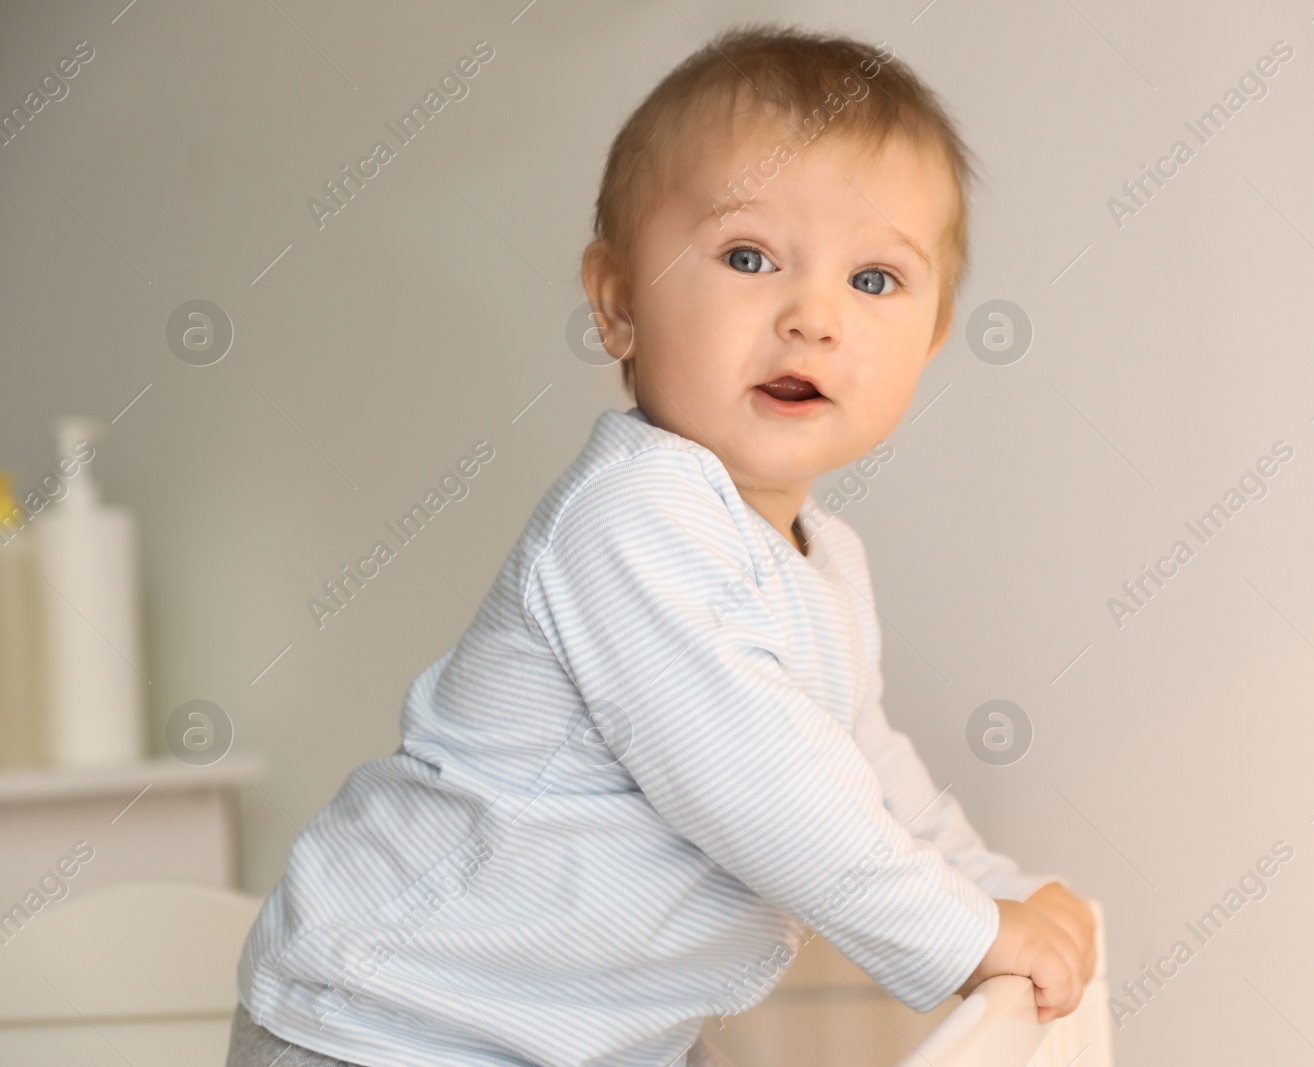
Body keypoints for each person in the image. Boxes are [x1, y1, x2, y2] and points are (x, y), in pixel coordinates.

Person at [228, 24, 1096, 1067]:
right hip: (399, 1019)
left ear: (933, 334)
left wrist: (992, 884)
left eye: (874, 280)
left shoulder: (827, 561)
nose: (811, 315)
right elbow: (772, 796)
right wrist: (970, 933)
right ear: (618, 303)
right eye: (747, 257)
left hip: (577, 1033)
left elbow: (872, 775)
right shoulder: (635, 518)